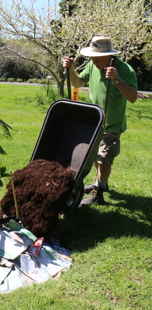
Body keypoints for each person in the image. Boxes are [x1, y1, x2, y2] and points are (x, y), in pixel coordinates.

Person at [63, 36, 138, 206]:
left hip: (112, 123)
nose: (93, 60)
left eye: (97, 57)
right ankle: (100, 183)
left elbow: (133, 97)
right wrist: (71, 69)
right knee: (95, 156)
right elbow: (77, 83)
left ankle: (99, 193)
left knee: (104, 157)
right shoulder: (92, 65)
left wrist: (117, 80)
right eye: (91, 56)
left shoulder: (125, 69)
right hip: (95, 121)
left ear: (109, 55)